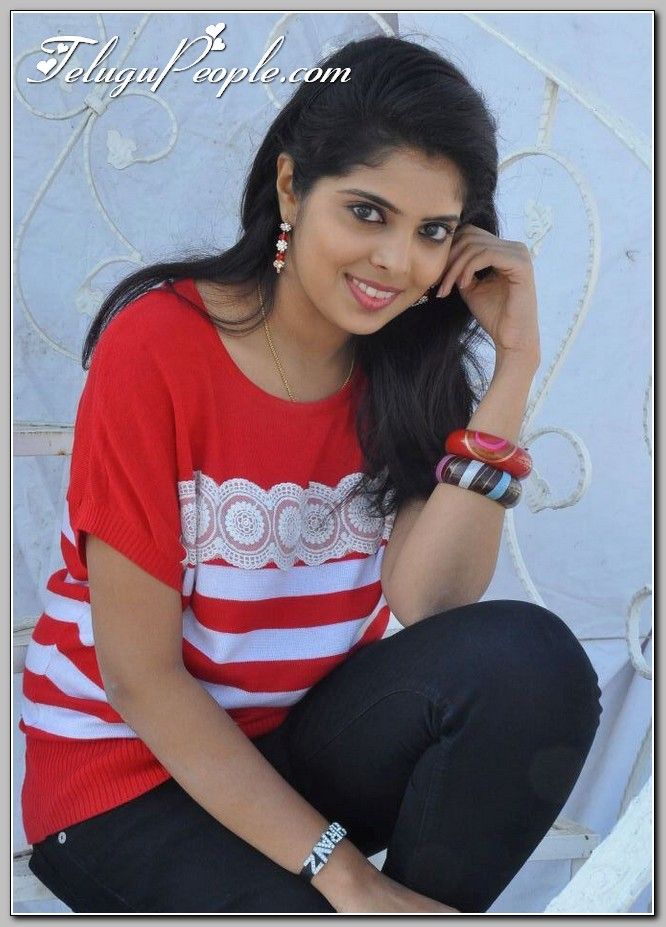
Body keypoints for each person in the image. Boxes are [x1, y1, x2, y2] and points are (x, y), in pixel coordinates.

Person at [19, 34, 602, 914]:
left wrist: (514, 362)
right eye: (367, 213)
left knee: (530, 665)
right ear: (292, 186)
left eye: (432, 232)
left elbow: (434, 602)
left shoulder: (406, 371)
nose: (397, 262)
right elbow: (141, 678)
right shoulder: (160, 347)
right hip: (124, 784)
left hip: (293, 749)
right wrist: (347, 875)